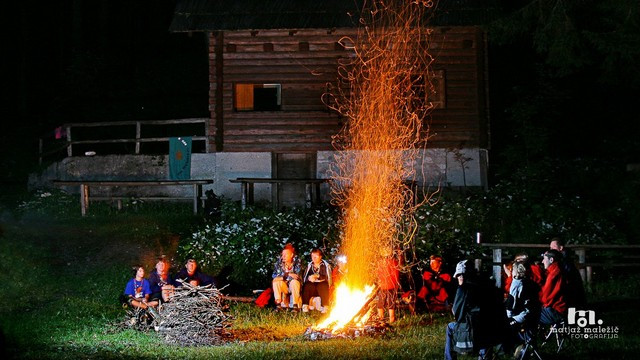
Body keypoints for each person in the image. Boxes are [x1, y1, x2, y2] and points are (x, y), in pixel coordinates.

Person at [504, 261, 541, 354]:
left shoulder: (516, 284)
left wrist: (508, 316)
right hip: (534, 314)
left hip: (523, 316)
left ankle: (512, 348)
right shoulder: (531, 282)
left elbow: (511, 305)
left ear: (515, 272)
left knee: (503, 324)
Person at [549, 237, 586, 307]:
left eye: (554, 247)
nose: (552, 250)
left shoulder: (565, 261)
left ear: (561, 248)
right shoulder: (560, 259)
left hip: (572, 296)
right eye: (551, 248)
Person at [539, 249, 567, 326]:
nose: (542, 261)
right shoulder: (558, 271)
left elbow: (545, 298)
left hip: (555, 311)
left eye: (544, 259)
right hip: (559, 309)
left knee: (526, 314)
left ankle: (527, 338)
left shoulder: (553, 275)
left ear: (551, 260)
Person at [272, 243, 302, 310]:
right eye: (282, 255)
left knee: (294, 282)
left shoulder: (297, 262)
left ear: (291, 255)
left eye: (285, 255)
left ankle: (295, 305)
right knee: (276, 282)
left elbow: (296, 276)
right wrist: (288, 274)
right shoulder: (279, 263)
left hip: (293, 287)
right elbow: (274, 277)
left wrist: (282, 276)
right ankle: (278, 304)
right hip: (284, 286)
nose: (283, 256)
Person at [301, 248, 332, 313]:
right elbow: (305, 278)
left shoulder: (325, 265)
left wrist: (318, 276)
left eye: (316, 256)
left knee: (323, 285)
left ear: (320, 257)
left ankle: (325, 306)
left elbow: (328, 278)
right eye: (312, 256)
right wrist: (309, 278)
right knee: (307, 285)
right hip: (312, 287)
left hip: (321, 287)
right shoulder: (310, 265)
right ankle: (305, 305)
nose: (314, 258)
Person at [376, 247, 400, 323]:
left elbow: (378, 274)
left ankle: (381, 318)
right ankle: (391, 319)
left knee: (381, 302)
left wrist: (379, 282)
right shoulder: (394, 262)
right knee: (391, 302)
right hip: (391, 285)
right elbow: (396, 274)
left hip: (383, 285)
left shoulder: (380, 263)